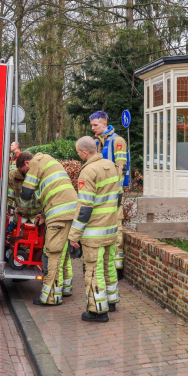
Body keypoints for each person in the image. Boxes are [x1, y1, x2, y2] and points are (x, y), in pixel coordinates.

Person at [69, 136, 121, 322]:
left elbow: (85, 207)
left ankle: (97, 310)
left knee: (93, 269)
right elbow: (119, 196)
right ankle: (112, 300)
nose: (78, 155)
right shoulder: (112, 165)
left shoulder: (88, 171)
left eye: (78, 152)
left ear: (84, 152)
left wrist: (74, 235)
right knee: (109, 265)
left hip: (94, 232)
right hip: (111, 228)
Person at [16, 151, 78, 305]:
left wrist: (21, 210)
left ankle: (50, 297)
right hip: (70, 211)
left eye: (24, 172)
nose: (25, 175)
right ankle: (64, 289)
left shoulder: (35, 163)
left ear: (26, 164)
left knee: (51, 253)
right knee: (62, 252)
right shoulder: (49, 161)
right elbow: (53, 191)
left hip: (59, 213)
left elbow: (26, 192)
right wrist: (44, 214)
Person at [90, 111, 129, 275]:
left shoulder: (117, 141)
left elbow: (122, 168)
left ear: (104, 124)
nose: (92, 128)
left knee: (116, 225)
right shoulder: (96, 142)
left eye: (95, 125)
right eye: (91, 125)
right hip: (100, 192)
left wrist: (117, 191)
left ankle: (117, 266)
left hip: (113, 192)